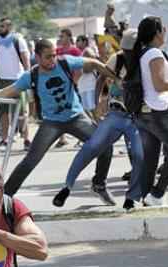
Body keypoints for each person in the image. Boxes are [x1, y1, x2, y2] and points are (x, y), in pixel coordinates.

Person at [0, 39, 116, 205]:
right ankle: (4, 198)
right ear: (38, 57)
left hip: (76, 117)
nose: (52, 61)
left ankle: (99, 184)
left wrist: (114, 77)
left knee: (105, 145)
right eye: (48, 57)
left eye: (54, 56)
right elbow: (6, 92)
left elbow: (93, 63)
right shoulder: (31, 76)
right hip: (52, 123)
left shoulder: (65, 63)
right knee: (30, 161)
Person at [53, 29, 145, 211]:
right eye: (125, 49)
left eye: (130, 49)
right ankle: (67, 187)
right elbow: (101, 77)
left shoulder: (145, 60)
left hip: (136, 118)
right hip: (116, 114)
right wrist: (96, 103)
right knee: (91, 147)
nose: (127, 53)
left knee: (139, 156)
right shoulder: (117, 59)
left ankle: (131, 198)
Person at [128, 16, 168, 206]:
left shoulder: (143, 52)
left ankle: (146, 198)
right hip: (159, 113)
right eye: (163, 29)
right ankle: (156, 193)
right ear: (156, 33)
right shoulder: (154, 53)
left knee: (151, 161)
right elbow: (160, 84)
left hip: (145, 114)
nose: (165, 32)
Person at [0, 17, 31, 151]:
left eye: (3, 26)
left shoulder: (18, 40)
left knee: (22, 112)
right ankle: (4, 140)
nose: (0, 28)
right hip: (2, 80)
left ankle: (27, 139)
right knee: (3, 112)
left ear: (9, 27)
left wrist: (28, 78)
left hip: (18, 79)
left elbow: (26, 61)